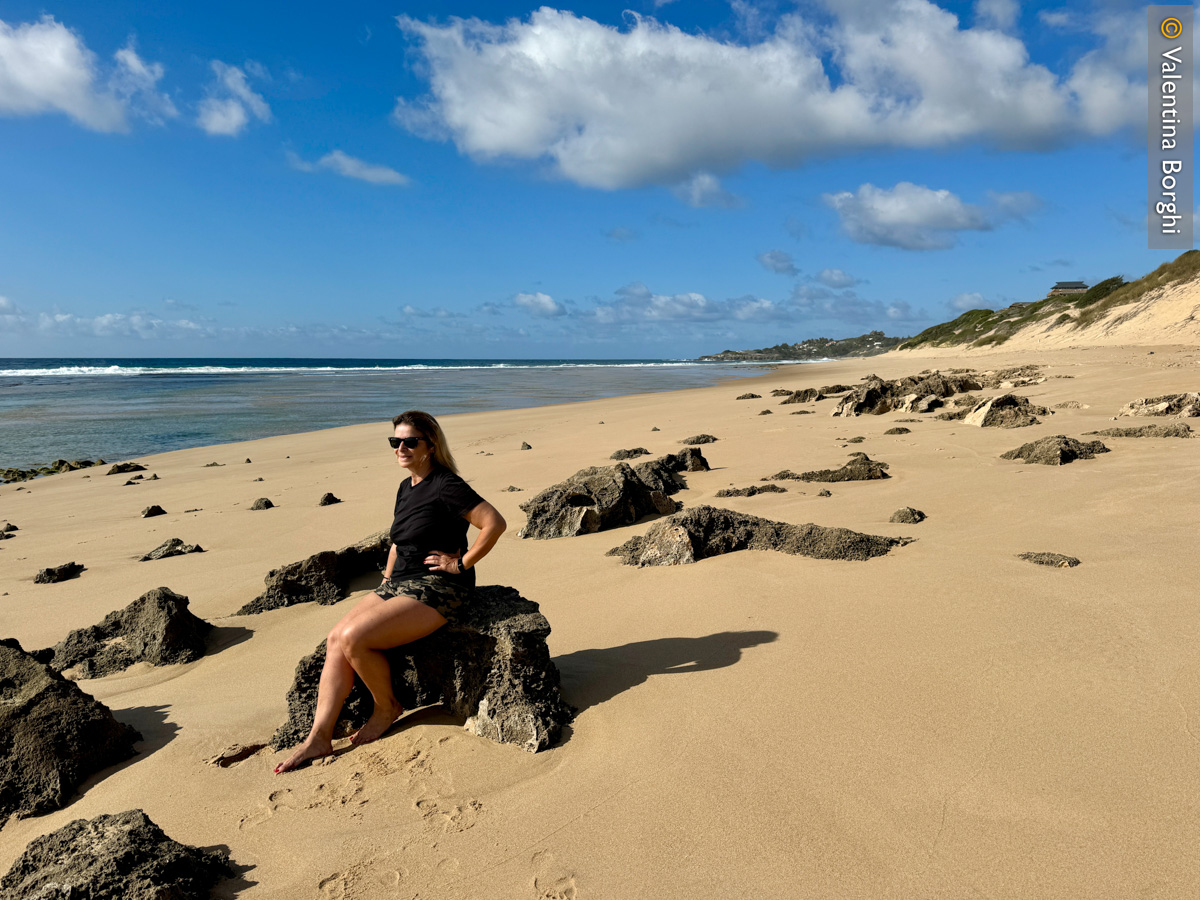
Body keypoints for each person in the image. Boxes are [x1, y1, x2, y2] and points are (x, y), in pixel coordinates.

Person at [276, 410, 506, 773]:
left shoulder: (446, 484)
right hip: (400, 582)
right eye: (395, 441)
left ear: (430, 445)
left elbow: (494, 522)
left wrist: (460, 563)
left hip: (439, 586)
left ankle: (387, 707)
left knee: (355, 638)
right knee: (336, 638)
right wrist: (385, 581)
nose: (400, 447)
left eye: (409, 442)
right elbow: (399, 541)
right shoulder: (406, 486)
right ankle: (319, 737)